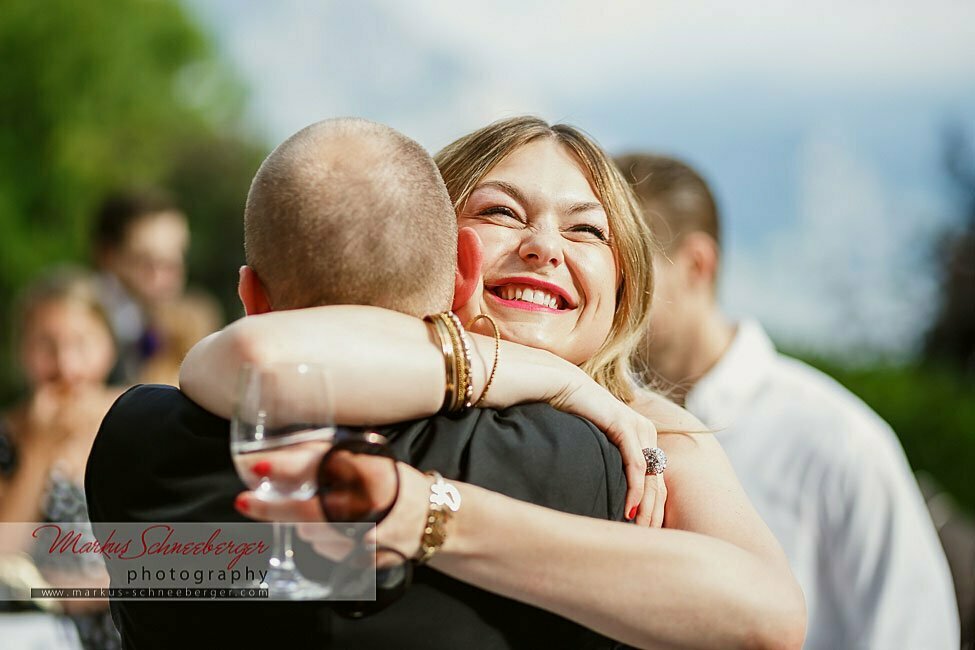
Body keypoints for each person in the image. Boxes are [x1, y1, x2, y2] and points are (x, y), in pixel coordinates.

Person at [89, 118, 804, 649]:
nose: (542, 246)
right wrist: (543, 378)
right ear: (446, 252)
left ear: (625, 286)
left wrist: (436, 517)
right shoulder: (583, 450)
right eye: (500, 212)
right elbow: (260, 359)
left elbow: (769, 617)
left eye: (586, 231)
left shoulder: (648, 439)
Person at [615, 152, 960, 649]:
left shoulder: (837, 439)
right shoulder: (603, 418)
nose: (606, 285)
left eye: (628, 262)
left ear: (696, 265)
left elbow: (914, 634)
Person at [0, 268, 122, 649]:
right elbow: (5, 552)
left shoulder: (138, 420)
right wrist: (38, 451)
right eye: (46, 346)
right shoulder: (9, 436)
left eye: (81, 344)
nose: (66, 366)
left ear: (108, 346)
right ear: (22, 351)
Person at [91, 189, 191, 383]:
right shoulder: (83, 329)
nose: (166, 278)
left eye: (175, 261)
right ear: (107, 257)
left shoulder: (183, 330)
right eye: (147, 262)